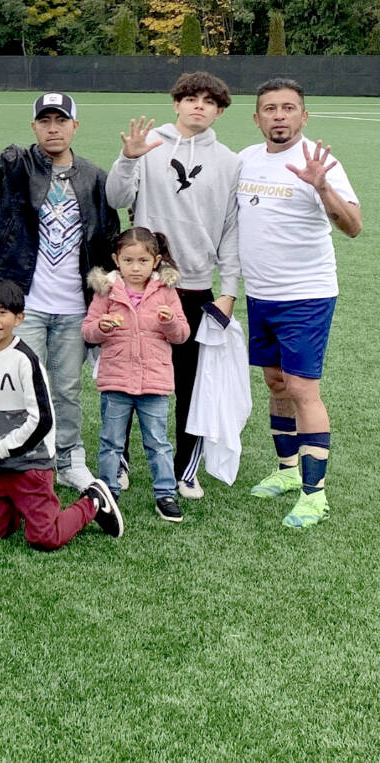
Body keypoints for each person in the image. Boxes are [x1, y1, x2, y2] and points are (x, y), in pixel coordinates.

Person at [0, 87, 119, 491]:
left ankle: (69, 458)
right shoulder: (15, 163)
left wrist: (108, 297)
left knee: (67, 389)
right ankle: (23, 458)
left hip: (74, 307)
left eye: (61, 120)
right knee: (20, 385)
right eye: (45, 121)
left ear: (75, 126)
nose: (53, 128)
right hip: (23, 304)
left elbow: (108, 239)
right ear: (34, 127)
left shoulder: (95, 177)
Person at [105, 71, 240, 500]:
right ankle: (119, 459)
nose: (199, 105)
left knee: (191, 386)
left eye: (209, 101)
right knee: (128, 375)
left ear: (219, 111)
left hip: (196, 288)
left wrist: (229, 290)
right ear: (176, 103)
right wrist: (128, 158)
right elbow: (116, 199)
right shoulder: (149, 146)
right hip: (143, 284)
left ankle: (186, 469)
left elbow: (232, 230)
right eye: (191, 98)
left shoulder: (230, 162)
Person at [235, 77, 361, 529]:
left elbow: (353, 226)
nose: (279, 116)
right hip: (260, 294)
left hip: (306, 295)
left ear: (304, 116)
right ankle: (288, 470)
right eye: (270, 109)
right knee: (275, 382)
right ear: (257, 118)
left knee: (303, 388)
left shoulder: (320, 163)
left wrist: (322, 187)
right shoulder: (246, 160)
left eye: (288, 108)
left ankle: (315, 495)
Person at [0, 278, 124, 550]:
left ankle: (93, 502)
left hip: (30, 463)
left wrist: (0, 449)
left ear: (19, 318)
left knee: (45, 538)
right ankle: (14, 504)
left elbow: (43, 420)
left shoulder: (25, 360)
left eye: (2, 312)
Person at [82, 229, 190, 521]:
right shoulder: (106, 290)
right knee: (111, 441)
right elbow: (88, 330)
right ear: (116, 259)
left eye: (143, 260)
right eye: (128, 260)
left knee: (158, 442)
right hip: (116, 380)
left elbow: (182, 334)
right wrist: (102, 327)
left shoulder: (165, 291)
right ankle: (108, 491)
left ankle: (165, 493)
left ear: (155, 260)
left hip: (154, 382)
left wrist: (170, 323)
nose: (135, 267)